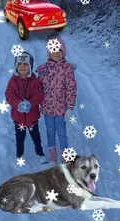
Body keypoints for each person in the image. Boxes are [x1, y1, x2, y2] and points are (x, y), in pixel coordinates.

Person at [37, 35, 77, 166]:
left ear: (63, 51)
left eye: (59, 50)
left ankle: (65, 157)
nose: (56, 53)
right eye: (53, 50)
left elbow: (71, 87)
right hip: (47, 108)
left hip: (61, 109)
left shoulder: (67, 69)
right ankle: (53, 157)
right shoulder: (43, 69)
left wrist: (70, 106)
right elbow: (38, 88)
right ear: (49, 52)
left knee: (61, 132)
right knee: (50, 132)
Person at [5, 51, 47, 164]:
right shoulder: (12, 81)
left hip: (32, 117)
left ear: (30, 66)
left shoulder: (35, 81)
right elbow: (9, 94)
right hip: (18, 118)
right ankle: (19, 154)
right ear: (16, 66)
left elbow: (39, 95)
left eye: (25, 65)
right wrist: (17, 104)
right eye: (20, 64)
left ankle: (40, 153)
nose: (23, 67)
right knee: (19, 138)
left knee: (36, 138)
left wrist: (30, 103)